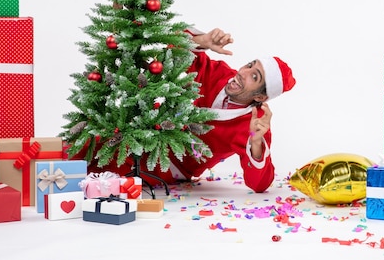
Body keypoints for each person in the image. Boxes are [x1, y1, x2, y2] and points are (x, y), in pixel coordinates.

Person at [76, 27, 296, 193]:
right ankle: (47, 165)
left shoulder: (254, 125)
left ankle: (58, 186)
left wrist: (256, 143)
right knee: (89, 141)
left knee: (109, 169)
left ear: (260, 97)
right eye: (249, 65)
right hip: (147, 129)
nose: (243, 73)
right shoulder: (219, 73)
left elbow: (260, 184)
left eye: (254, 77)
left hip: (167, 165)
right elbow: (175, 49)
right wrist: (204, 41)